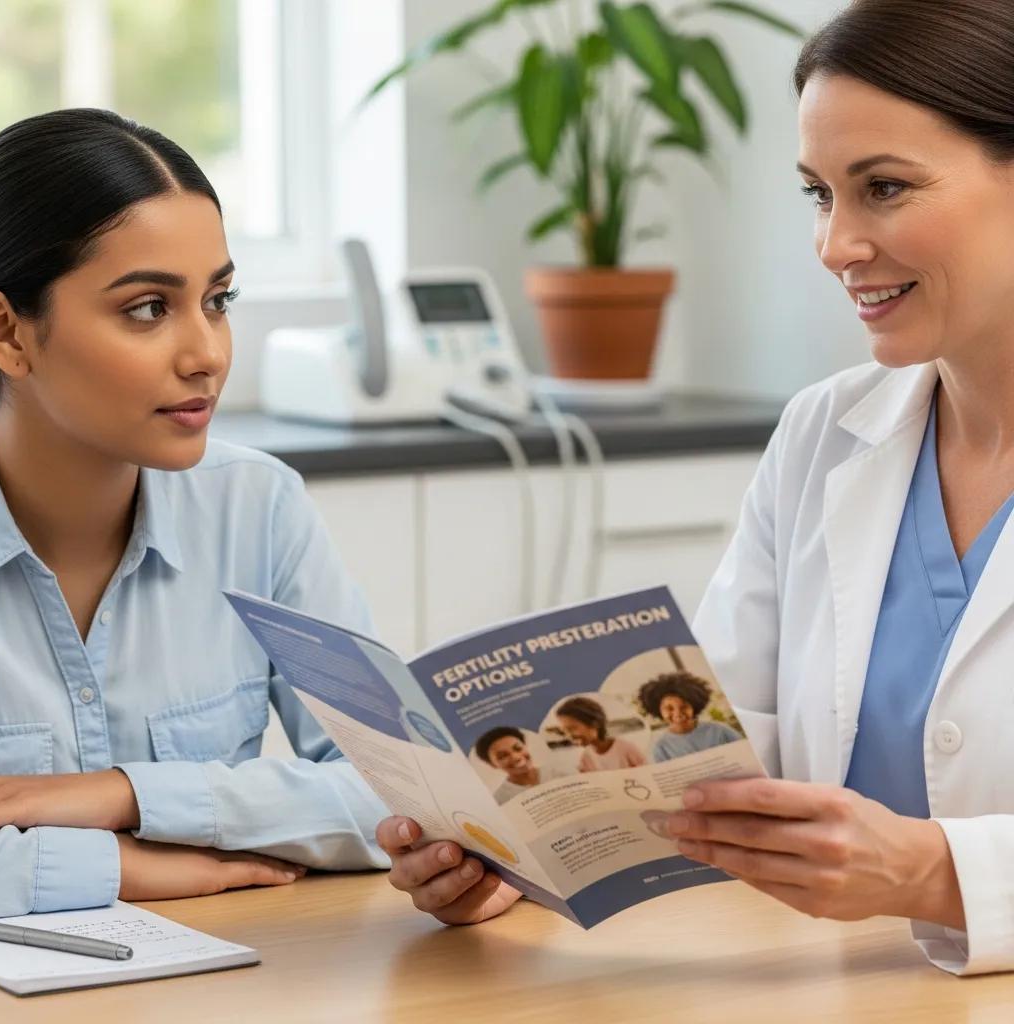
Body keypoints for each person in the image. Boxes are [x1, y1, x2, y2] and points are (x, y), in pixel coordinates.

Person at [374, 0, 1014, 973]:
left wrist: (935, 873)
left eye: (882, 188)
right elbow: (715, 750)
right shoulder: (820, 434)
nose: (835, 245)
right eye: (817, 194)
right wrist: (526, 845)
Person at [0, 109, 388, 920]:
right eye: (147, 308)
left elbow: (403, 789)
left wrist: (127, 796)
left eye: (218, 299)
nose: (207, 351)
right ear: (6, 332)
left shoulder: (258, 506)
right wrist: (118, 868)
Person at [636, 675, 739, 761]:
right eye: (669, 708)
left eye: (684, 706)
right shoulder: (661, 747)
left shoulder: (720, 730)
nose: (677, 713)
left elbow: (747, 752)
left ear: (694, 706)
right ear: (658, 711)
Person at [474, 727, 564, 804]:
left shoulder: (559, 771)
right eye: (503, 756)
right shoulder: (501, 799)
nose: (516, 757)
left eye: (518, 748)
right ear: (492, 764)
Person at [555, 696, 647, 771]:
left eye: (572, 728)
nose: (569, 736)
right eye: (564, 732)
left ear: (595, 724)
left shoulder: (626, 748)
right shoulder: (585, 758)